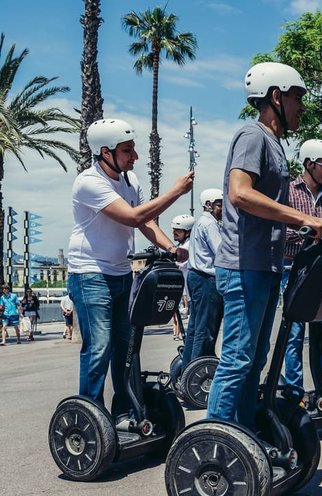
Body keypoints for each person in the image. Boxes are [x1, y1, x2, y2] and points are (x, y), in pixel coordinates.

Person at [205, 62, 322, 431]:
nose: (302, 107)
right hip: (243, 266)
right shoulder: (252, 135)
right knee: (238, 359)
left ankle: (242, 435)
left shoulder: (274, 144)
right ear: (276, 97)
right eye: (297, 98)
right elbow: (240, 193)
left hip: (265, 267)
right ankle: (213, 441)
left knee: (254, 360)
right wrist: (301, 218)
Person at [68, 118, 194, 424]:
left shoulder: (129, 181)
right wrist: (175, 192)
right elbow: (133, 216)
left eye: (133, 149)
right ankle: (91, 418)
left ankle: (124, 412)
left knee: (126, 348)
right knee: (99, 347)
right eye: (127, 150)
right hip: (89, 274)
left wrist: (170, 249)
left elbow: (146, 223)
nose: (134, 156)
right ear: (105, 152)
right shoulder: (89, 182)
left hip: (122, 273)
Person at [279, 138, 322, 402]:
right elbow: (279, 232)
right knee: (294, 334)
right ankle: (295, 392)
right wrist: (310, 232)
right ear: (308, 164)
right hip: (294, 268)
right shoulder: (288, 192)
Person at [181, 188, 224, 368]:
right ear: (208, 205)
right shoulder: (209, 224)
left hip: (197, 276)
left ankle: (187, 370)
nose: (223, 209)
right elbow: (221, 251)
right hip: (207, 279)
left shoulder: (201, 222)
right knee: (206, 330)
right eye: (220, 205)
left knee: (195, 328)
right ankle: (199, 372)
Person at [170, 214, 195, 340]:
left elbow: (177, 265)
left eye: (178, 231)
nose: (174, 233)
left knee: (194, 329)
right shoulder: (183, 245)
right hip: (188, 293)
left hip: (192, 292)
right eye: (173, 230)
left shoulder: (187, 247)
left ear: (188, 232)